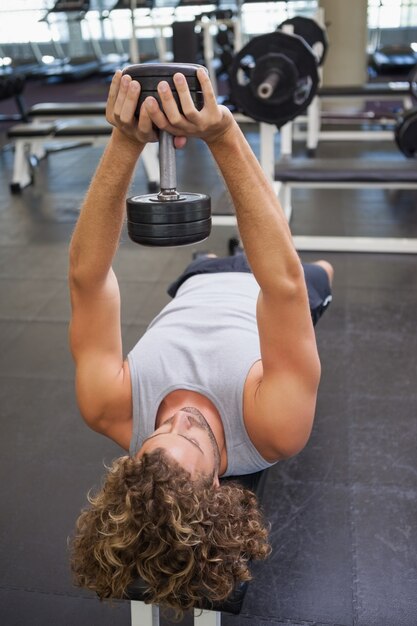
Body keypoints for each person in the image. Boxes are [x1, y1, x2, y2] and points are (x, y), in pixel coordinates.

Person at [68, 68, 333, 614]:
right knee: (320, 274)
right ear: (218, 485)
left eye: (159, 429)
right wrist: (221, 132)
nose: (176, 415)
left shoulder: (108, 407)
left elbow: (87, 280)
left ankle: (208, 260)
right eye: (189, 432)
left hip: (195, 286)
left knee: (204, 260)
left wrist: (124, 140)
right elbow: (280, 282)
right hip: (263, 288)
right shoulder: (273, 427)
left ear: (129, 462)